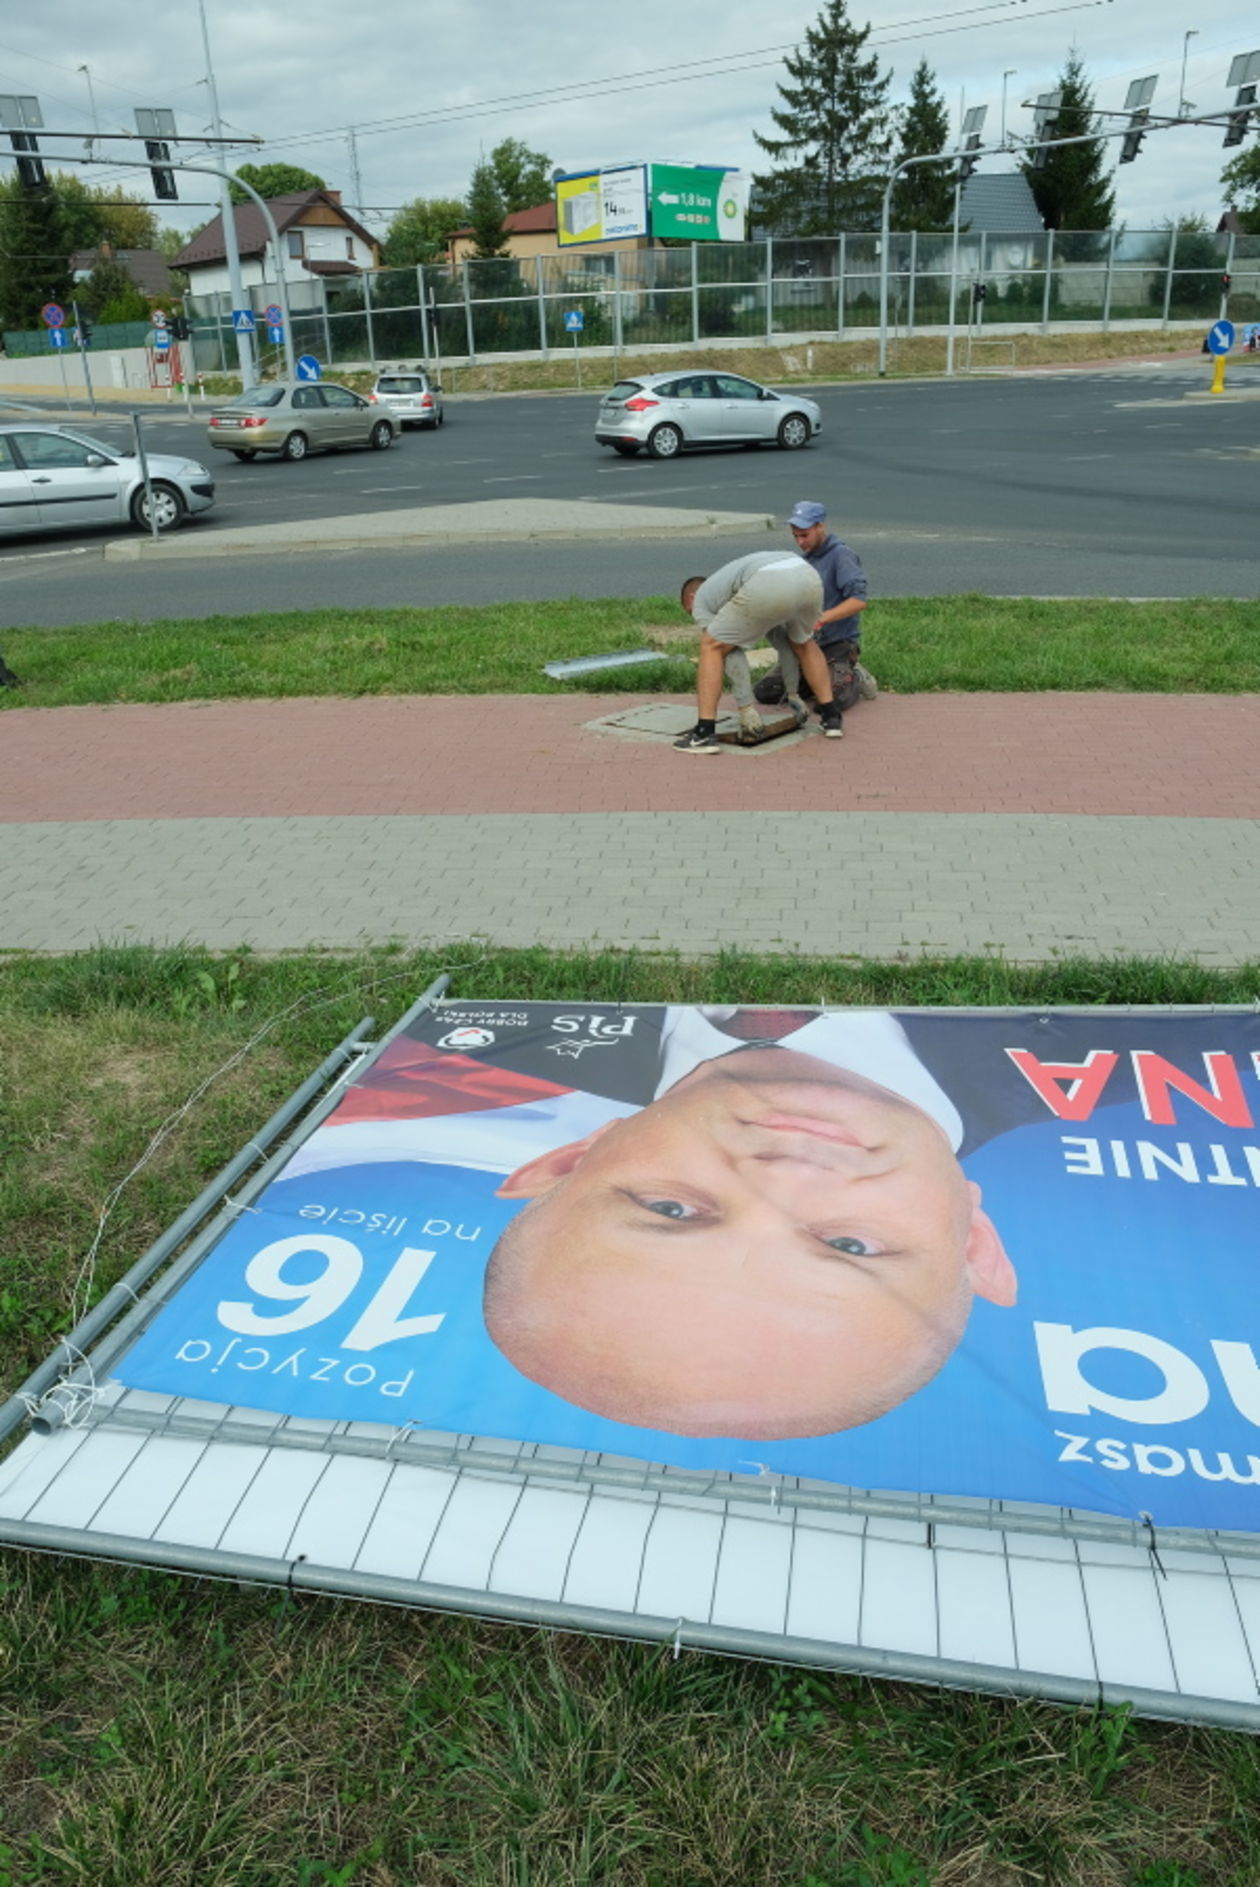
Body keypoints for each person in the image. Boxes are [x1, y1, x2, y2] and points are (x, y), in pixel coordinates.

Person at [286, 1005, 1017, 1443]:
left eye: (671, 1209)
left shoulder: (465, 1050)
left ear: (572, 1157)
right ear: (975, 1242)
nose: (784, 1173)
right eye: (847, 1245)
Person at [674, 551, 845, 754]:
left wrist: (746, 708)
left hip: (766, 581)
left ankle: (704, 733)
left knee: (712, 646)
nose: (694, 617)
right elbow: (784, 643)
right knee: (803, 642)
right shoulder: (728, 585)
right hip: (806, 574)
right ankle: (831, 717)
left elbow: (730, 652)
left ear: (691, 597)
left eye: (689, 611)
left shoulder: (702, 599)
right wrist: (792, 694)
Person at [755, 501, 876, 715]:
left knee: (830, 702)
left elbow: (858, 601)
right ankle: (816, 679)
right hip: (807, 644)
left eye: (805, 535)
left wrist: (823, 618)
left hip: (837, 644)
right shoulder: (804, 561)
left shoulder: (841, 555)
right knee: (765, 692)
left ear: (820, 526)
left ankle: (854, 675)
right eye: (796, 536)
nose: (800, 541)